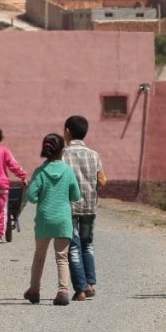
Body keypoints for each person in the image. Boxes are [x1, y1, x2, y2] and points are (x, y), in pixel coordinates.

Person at [24, 133, 80, 306]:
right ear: (62, 151)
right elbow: (76, 196)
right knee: (62, 257)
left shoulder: (40, 172)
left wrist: (32, 187)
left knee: (39, 256)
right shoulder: (68, 172)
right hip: (63, 220)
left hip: (44, 220)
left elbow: (31, 197)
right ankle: (63, 292)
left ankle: (34, 290)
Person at [63, 114, 106, 301]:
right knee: (87, 244)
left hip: (70, 207)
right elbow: (103, 180)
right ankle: (90, 283)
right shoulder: (94, 154)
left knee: (73, 246)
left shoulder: (63, 155)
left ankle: (80, 289)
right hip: (90, 207)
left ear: (67, 131)